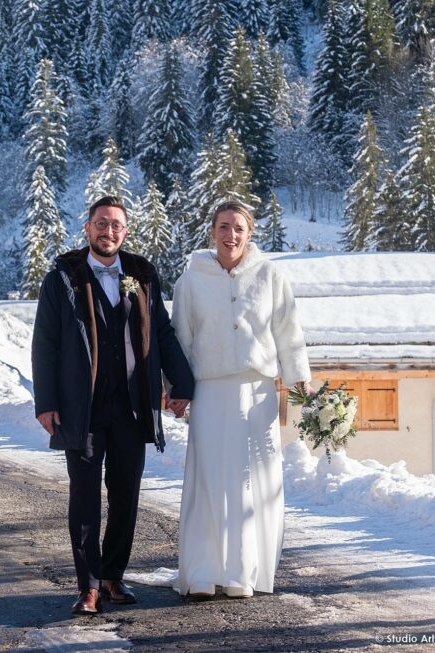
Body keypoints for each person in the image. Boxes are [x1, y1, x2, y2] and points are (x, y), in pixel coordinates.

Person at [32, 195, 195, 616]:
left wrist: (183, 382)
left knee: (126, 495)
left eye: (116, 226)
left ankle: (112, 576)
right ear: (87, 229)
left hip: (131, 405)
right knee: (84, 496)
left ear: (125, 232)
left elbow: (162, 332)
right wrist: (46, 401)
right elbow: (44, 344)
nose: (108, 232)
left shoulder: (141, 274)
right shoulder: (63, 278)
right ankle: (87, 586)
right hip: (80, 407)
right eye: (101, 224)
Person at [170, 200, 310, 599]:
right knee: (210, 477)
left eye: (239, 228)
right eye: (224, 226)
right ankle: (201, 570)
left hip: (258, 392)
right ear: (212, 231)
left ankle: (243, 572)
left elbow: (288, 330)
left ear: (250, 234)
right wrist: (176, 389)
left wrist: (299, 380)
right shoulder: (191, 279)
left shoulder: (270, 275)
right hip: (210, 390)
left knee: (251, 480)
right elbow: (181, 337)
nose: (231, 235)